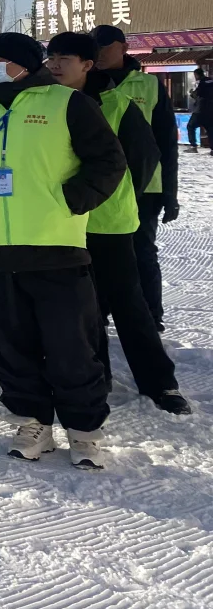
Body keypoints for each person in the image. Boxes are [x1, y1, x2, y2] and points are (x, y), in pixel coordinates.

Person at [0, 33, 127, 468]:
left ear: (27, 65)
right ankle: (33, 423)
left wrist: (70, 202)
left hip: (56, 248)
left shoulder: (67, 104)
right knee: (11, 346)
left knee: (70, 346)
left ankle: (84, 431)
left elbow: (109, 161)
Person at [45, 33, 190, 416]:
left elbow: (144, 158)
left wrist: (121, 198)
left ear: (88, 65)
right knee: (82, 310)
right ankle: (97, 378)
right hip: (62, 225)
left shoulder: (118, 104)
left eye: (66, 58)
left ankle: (160, 382)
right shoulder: (44, 103)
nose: (55, 64)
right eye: (52, 57)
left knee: (129, 306)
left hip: (109, 225)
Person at [92, 25, 179, 330]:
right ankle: (97, 313)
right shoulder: (84, 85)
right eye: (94, 46)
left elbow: (166, 142)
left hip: (144, 188)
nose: (99, 52)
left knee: (141, 252)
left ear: (124, 47)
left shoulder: (148, 86)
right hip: (98, 187)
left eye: (105, 46)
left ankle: (150, 317)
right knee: (95, 253)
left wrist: (170, 192)